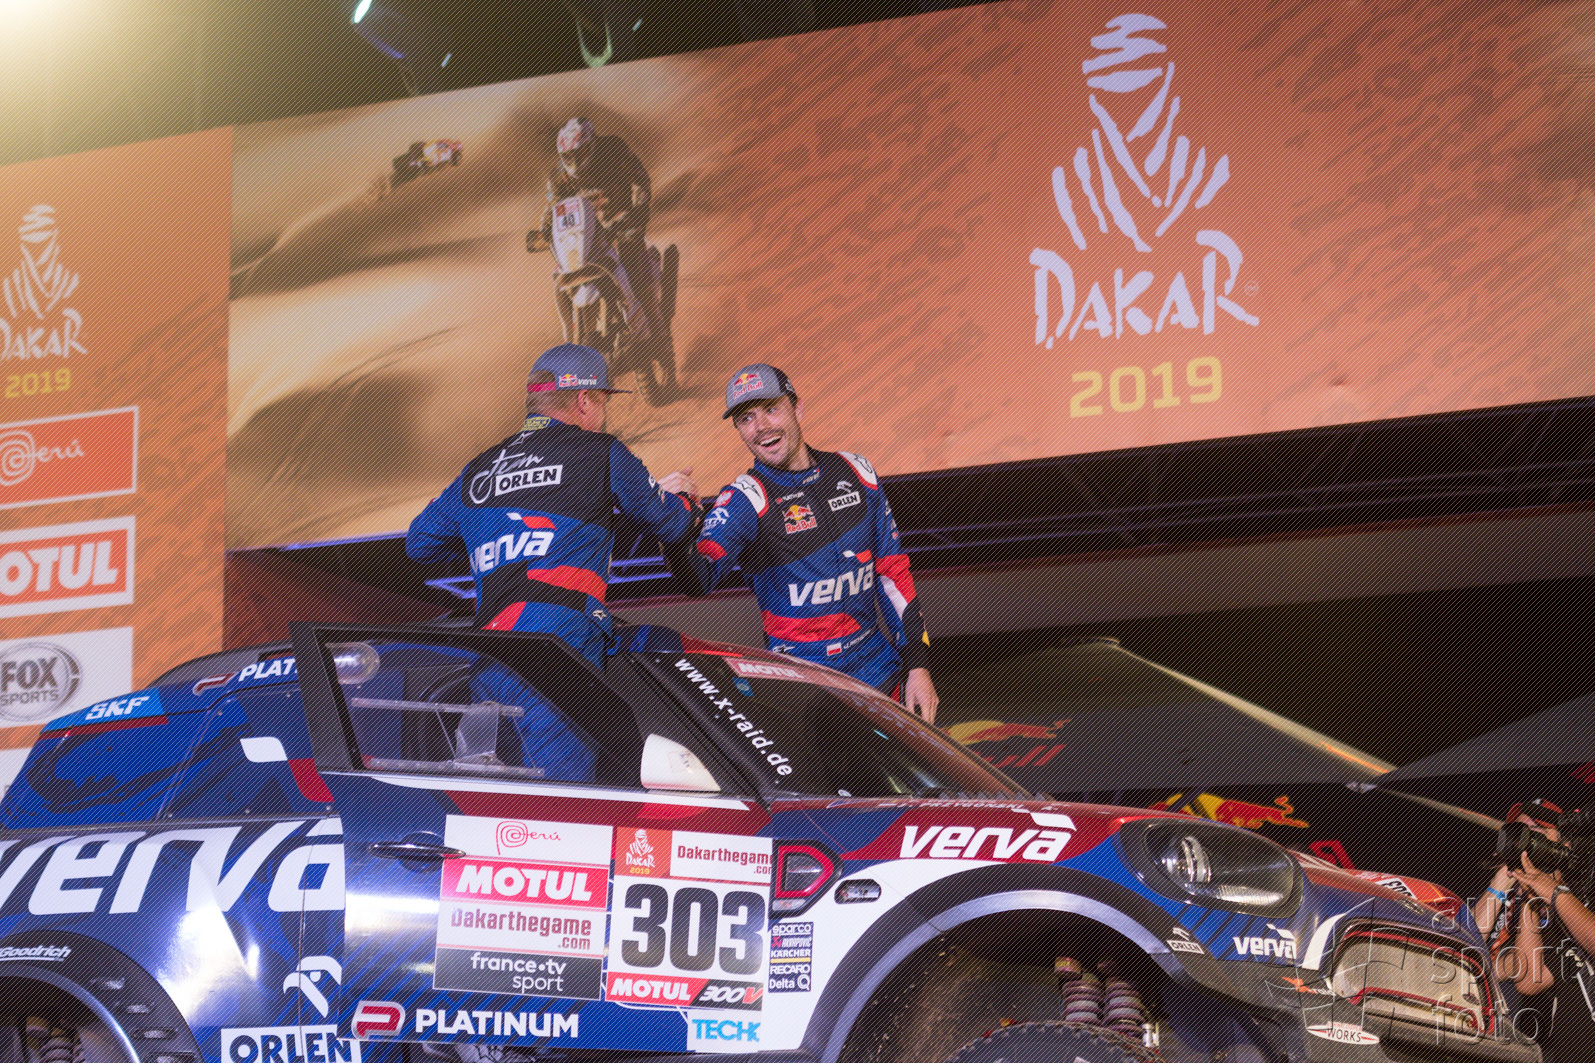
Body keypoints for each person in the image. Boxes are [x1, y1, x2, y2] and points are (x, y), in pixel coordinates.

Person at [406, 343, 700, 669]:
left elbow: (419, 544)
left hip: (491, 658)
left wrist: (489, 531)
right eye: (603, 403)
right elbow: (671, 524)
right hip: (560, 652)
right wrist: (682, 498)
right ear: (584, 401)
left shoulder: (477, 470)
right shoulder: (600, 451)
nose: (603, 416)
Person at [691, 363, 938, 723]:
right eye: (746, 418)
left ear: (798, 408)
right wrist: (673, 524)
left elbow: (892, 573)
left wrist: (918, 664)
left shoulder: (856, 471)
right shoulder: (745, 499)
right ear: (739, 431)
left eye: (771, 409)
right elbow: (697, 579)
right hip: (803, 689)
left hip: (879, 673)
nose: (761, 427)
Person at [1476, 798, 1595, 1060]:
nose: (1525, 843)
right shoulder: (1506, 896)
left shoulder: (1576, 903)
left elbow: (1521, 973)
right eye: (1518, 833)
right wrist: (1506, 882)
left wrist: (1549, 892)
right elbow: (1466, 946)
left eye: (1536, 832)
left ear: (1564, 844)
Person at [536, 117, 662, 342]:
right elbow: (551, 209)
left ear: (592, 143)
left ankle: (657, 334)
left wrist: (637, 211)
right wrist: (543, 231)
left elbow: (640, 180)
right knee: (562, 274)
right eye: (568, 157)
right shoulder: (558, 176)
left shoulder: (613, 150)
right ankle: (573, 336)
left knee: (634, 266)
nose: (575, 161)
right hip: (587, 236)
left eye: (581, 153)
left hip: (623, 222)